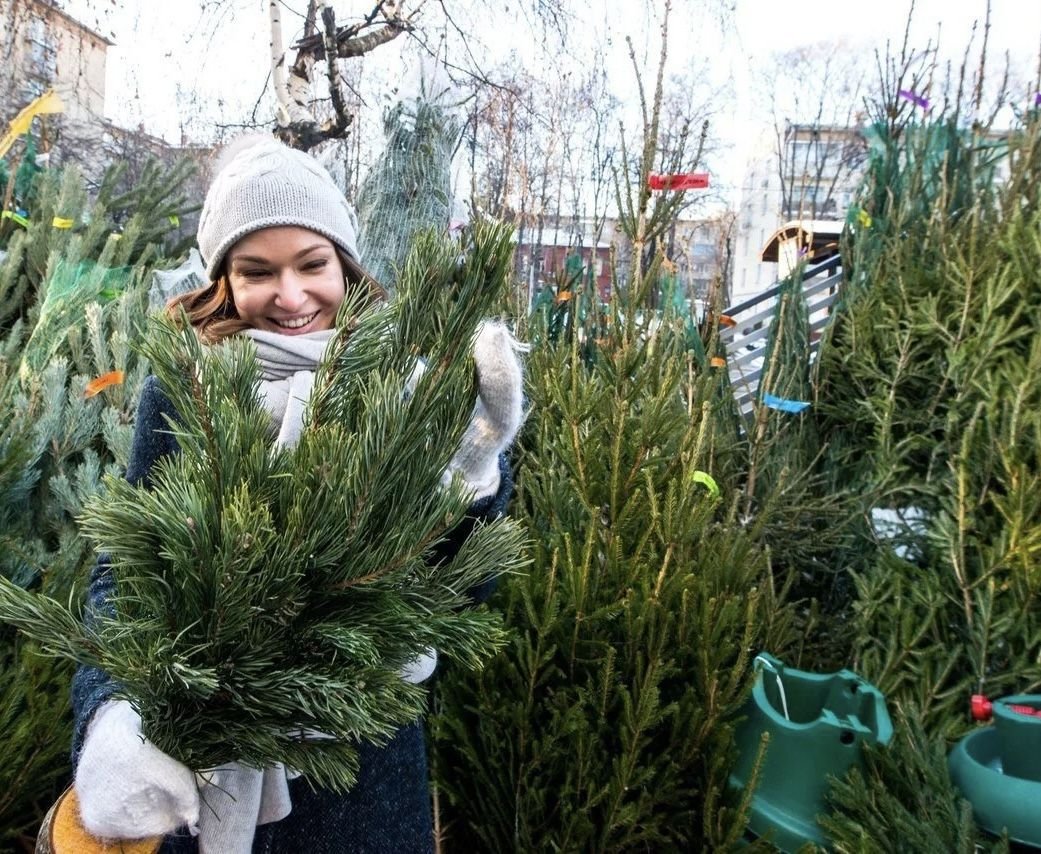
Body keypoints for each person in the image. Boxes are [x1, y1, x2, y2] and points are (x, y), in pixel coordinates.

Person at [68, 135, 524, 854]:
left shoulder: (403, 390)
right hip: (206, 768)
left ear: (344, 261)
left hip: (360, 777)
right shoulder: (186, 388)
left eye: (312, 264)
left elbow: (462, 594)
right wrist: (113, 714)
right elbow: (124, 576)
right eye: (257, 271)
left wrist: (469, 479)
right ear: (224, 278)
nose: (289, 295)